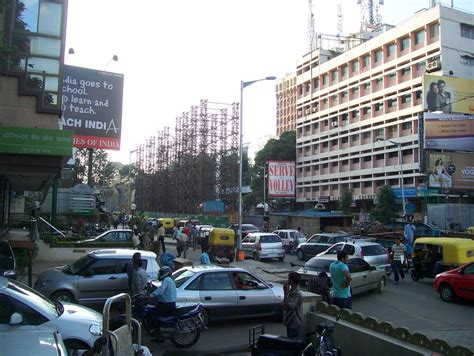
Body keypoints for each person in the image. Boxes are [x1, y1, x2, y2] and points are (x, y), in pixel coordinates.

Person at [149, 266, 177, 343]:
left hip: (167, 305)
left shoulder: (167, 280)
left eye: (161, 273)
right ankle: (160, 337)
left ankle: (156, 331)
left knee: (152, 314)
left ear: (165, 273)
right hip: (168, 304)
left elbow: (161, 290)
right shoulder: (169, 280)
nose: (159, 275)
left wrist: (151, 295)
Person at [282, 271, 303, 340]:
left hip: (295, 323)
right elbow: (283, 305)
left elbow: (290, 306)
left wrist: (285, 293)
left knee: (293, 343)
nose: (287, 281)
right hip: (289, 322)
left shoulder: (297, 293)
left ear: (291, 281)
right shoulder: (291, 291)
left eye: (288, 279)